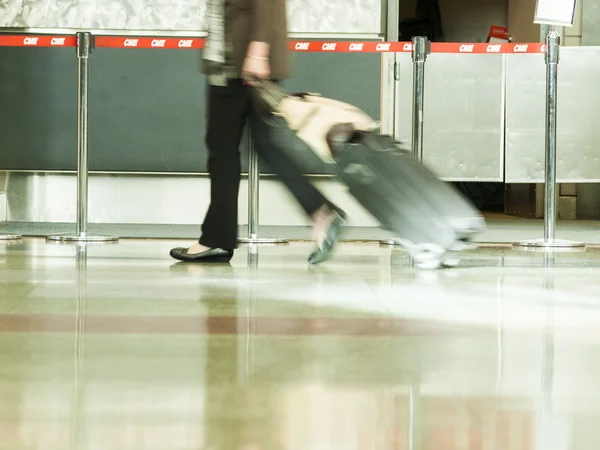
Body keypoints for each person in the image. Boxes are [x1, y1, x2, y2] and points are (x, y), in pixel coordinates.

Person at [169, 0, 346, 265]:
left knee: (224, 149)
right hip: (233, 61)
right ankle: (319, 210)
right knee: (256, 146)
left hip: (240, 64)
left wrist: (258, 52)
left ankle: (217, 239)